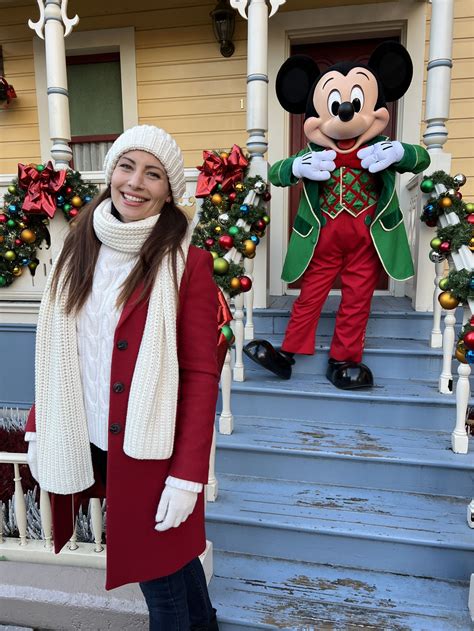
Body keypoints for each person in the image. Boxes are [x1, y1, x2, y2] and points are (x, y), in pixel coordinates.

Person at [24, 125, 220, 630]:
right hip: (89, 438)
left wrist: (188, 473)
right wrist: (38, 421)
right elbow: (59, 353)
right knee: (175, 560)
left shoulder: (188, 265)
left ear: (168, 190)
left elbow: (200, 374)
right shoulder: (74, 252)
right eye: (126, 166)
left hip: (150, 449)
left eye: (153, 174)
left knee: (160, 580)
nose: (135, 182)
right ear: (110, 172)